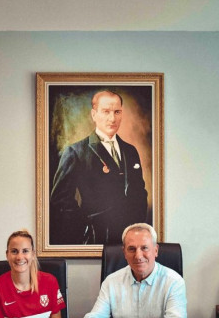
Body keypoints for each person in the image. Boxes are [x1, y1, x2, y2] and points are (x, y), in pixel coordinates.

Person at [50, 90, 148, 245]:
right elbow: (60, 201)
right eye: (106, 112)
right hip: (97, 239)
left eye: (117, 112)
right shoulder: (76, 152)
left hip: (129, 242)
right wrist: (86, 225)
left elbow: (140, 192)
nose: (112, 118)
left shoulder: (130, 151)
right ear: (94, 115)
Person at [76, 223, 188, 318]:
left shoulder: (173, 281)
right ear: (124, 252)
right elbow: (96, 317)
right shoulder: (111, 282)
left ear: (156, 250)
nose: (138, 256)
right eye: (132, 249)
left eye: (144, 248)